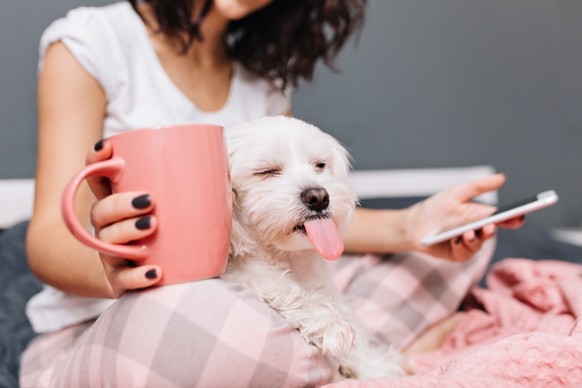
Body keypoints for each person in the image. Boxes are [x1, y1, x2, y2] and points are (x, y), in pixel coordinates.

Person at [21, 0, 523, 386]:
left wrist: (412, 226)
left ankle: (322, 357)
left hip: (255, 294)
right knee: (208, 314)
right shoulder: (94, 41)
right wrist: (129, 273)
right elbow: (46, 238)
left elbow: (302, 209)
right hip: (126, 315)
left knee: (431, 264)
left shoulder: (261, 79)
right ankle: (358, 359)